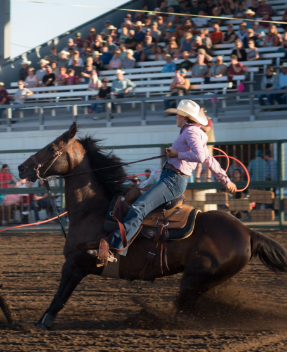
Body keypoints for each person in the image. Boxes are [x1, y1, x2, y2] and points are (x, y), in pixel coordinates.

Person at [93, 99, 236, 263]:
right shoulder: (193, 132)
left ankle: (114, 249)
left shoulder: (191, 132)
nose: (175, 117)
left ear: (184, 117)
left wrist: (177, 155)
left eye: (177, 115)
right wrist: (225, 180)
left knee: (139, 207)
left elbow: (200, 157)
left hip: (173, 180)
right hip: (171, 178)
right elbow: (209, 160)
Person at [195, 107, 215, 182]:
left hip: (208, 144)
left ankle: (208, 178)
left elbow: (207, 129)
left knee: (208, 162)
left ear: (204, 112)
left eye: (200, 111)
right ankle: (197, 178)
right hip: (199, 144)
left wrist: (198, 125)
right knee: (198, 161)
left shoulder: (208, 119)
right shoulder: (195, 120)